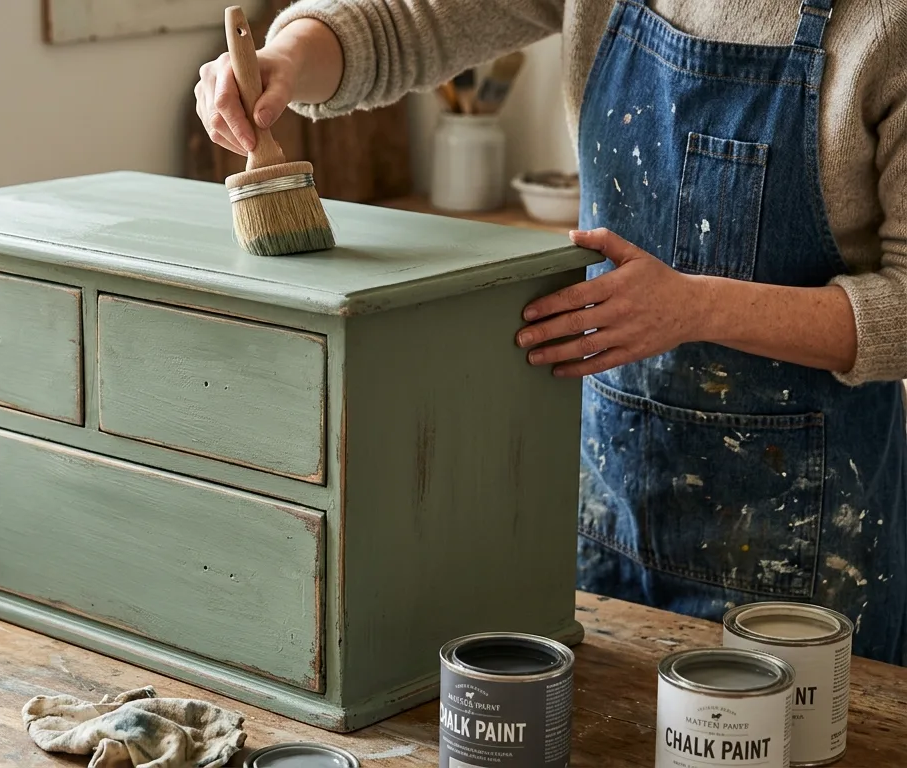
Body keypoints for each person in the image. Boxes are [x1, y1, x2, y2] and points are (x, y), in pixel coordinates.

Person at [194, 0, 907, 665]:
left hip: (804, 545)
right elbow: (408, 19)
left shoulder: (886, 24)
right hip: (605, 502)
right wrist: (289, 59)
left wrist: (697, 308)